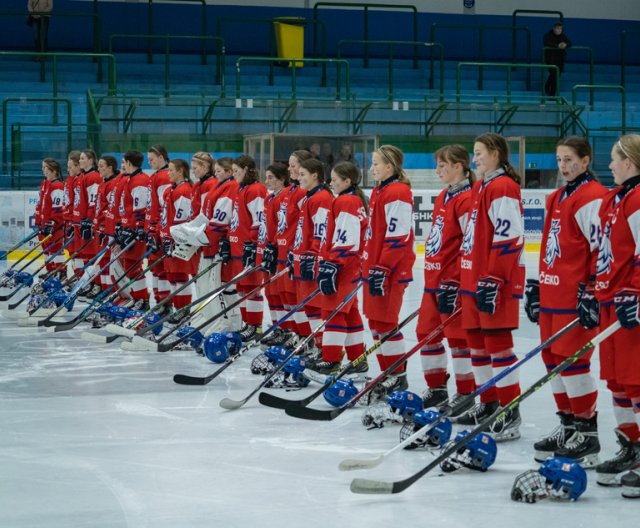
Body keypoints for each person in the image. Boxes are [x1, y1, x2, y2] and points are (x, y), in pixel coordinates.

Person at [525, 137, 607, 467]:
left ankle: (587, 434)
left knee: (573, 362)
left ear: (586, 161)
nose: (563, 166)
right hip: (553, 293)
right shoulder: (558, 196)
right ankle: (568, 424)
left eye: (570, 159)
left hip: (574, 297)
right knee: (552, 361)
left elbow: (600, 249)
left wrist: (592, 290)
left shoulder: (593, 196)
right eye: (559, 159)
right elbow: (550, 245)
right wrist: (538, 284)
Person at [457, 133, 525, 442]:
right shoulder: (480, 186)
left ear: (496, 153)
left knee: (498, 345)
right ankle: (488, 402)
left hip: (493, 281)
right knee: (476, 344)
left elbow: (509, 237)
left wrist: (495, 277)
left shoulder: (503, 187)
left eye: (479, 153)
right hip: (474, 279)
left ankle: (509, 411)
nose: (474, 160)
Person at [591, 135, 640, 495]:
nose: (609, 165)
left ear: (630, 161)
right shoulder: (616, 197)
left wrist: (635, 292)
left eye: (614, 159)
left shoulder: (638, 198)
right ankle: (631, 446)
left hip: (630, 303)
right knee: (618, 382)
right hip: (610, 300)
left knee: (636, 382)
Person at [416, 145, 475, 418]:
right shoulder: (444, 196)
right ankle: (437, 388)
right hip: (433, 279)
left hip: (452, 283)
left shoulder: (467, 199)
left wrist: (455, 281)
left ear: (459, 165)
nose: (438, 170)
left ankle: (466, 393)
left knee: (458, 340)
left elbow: (469, 244)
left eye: (442, 165)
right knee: (426, 334)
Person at [304, 161, 369, 379]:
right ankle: (358, 360)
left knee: (332, 312)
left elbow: (346, 238)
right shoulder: (349, 199)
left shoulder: (347, 201)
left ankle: (331, 361)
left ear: (347, 181)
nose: (330, 183)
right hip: (349, 266)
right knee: (349, 313)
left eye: (334, 180)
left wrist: (332, 264)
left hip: (344, 267)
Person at [362, 145, 416, 397]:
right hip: (376, 267)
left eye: (375, 163)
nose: (372, 168)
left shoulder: (397, 192)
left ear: (389, 166)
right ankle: (387, 374)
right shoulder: (380, 190)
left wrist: (383, 267)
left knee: (385, 323)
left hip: (389, 270)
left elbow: (397, 236)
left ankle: (397, 376)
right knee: (375, 322)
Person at [289, 158, 334, 358]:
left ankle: (322, 349)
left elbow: (322, 233)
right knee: (308, 306)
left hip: (313, 262)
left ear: (314, 175)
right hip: (303, 258)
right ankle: (314, 345)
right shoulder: (310, 197)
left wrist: (313, 256)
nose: (299, 178)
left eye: (302, 174)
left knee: (316, 307)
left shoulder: (321, 198)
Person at [227, 155, 267, 341]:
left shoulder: (256, 190)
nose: (234, 175)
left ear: (247, 170)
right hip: (238, 249)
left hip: (247, 249)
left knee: (252, 289)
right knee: (242, 289)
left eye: (237, 171)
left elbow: (259, 222)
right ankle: (246, 324)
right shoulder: (240, 189)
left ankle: (255, 326)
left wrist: (251, 244)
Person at [159, 159, 197, 318]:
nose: (168, 173)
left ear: (181, 171)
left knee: (180, 275)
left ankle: (183, 308)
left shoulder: (184, 190)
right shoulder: (171, 190)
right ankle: (176, 307)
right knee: (172, 275)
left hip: (178, 240)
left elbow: (181, 220)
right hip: (168, 238)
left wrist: (174, 238)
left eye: (171, 170)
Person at [114, 150, 150, 310]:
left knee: (134, 266)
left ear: (128, 162)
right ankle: (138, 298)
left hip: (135, 231)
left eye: (124, 162)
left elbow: (140, 209)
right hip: (128, 228)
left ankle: (142, 299)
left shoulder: (140, 181)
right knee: (129, 265)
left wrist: (137, 229)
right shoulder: (131, 179)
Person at [259, 162, 290, 338]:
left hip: (279, 251)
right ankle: (277, 327)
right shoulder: (270, 198)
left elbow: (283, 226)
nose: (267, 180)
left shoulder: (283, 197)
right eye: (266, 177)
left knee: (280, 292)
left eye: (271, 177)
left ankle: (285, 329)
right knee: (270, 292)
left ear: (282, 179)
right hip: (268, 249)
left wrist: (275, 245)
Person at [144, 145, 171, 313]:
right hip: (153, 229)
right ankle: (158, 301)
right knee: (154, 267)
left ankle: (165, 303)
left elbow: (163, 208)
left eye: (152, 159)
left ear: (161, 157)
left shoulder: (163, 177)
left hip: (160, 230)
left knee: (161, 268)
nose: (150, 162)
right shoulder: (155, 176)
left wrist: (155, 229)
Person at [76, 149, 103, 298]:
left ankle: (97, 283)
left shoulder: (93, 177)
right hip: (83, 221)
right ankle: (91, 282)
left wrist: (90, 220)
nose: (80, 161)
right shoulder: (83, 176)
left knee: (93, 254)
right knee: (86, 255)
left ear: (91, 160)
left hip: (91, 223)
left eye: (82, 158)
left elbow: (94, 203)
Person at [94, 155, 121, 295]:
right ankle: (105, 291)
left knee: (108, 261)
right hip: (101, 228)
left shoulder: (112, 185)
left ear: (110, 168)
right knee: (102, 261)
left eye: (102, 166)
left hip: (108, 230)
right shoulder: (103, 183)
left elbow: (112, 209)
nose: (99, 169)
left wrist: (106, 227)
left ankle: (109, 291)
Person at [38, 158, 65, 274]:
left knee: (56, 249)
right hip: (46, 223)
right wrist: (40, 221)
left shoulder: (58, 186)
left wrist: (52, 222)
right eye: (42, 167)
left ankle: (60, 273)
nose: (43, 170)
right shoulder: (47, 184)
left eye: (45, 168)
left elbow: (58, 208)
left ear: (54, 171)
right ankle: (50, 272)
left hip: (55, 226)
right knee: (47, 248)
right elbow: (42, 204)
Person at [543, 22, 571, 97]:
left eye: (560, 29)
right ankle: (552, 94)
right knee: (555, 75)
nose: (559, 30)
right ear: (554, 28)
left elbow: (569, 42)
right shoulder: (548, 35)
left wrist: (565, 45)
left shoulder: (563, 36)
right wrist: (557, 46)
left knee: (556, 75)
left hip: (560, 59)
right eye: (557, 28)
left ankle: (547, 86)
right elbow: (547, 43)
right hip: (550, 59)